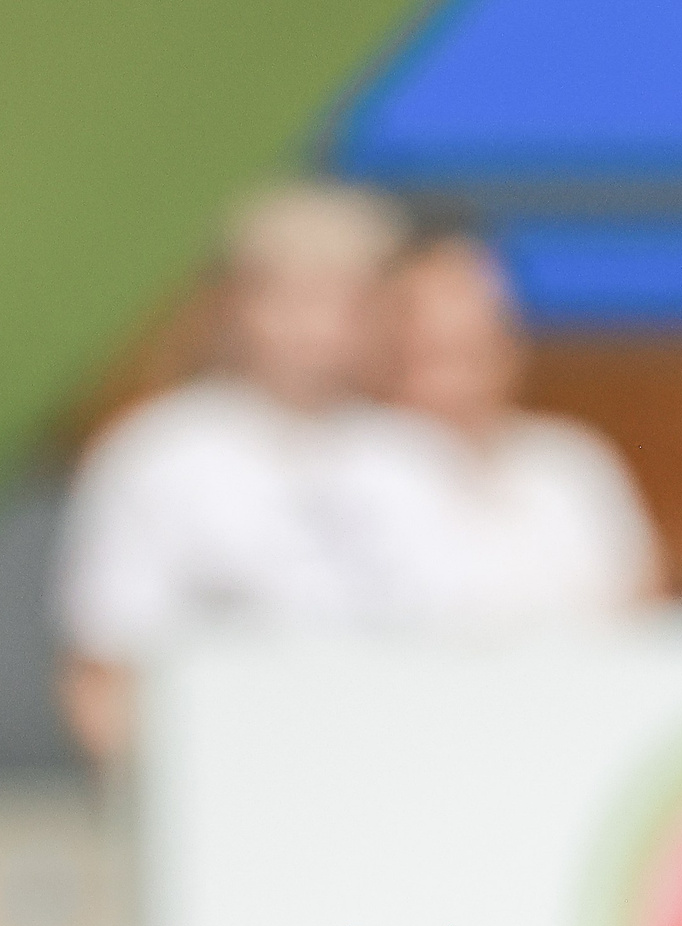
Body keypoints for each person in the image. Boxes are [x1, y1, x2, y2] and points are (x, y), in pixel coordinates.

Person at [54, 182, 415, 767]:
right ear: (235, 304)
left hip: (390, 782)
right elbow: (101, 683)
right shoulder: (156, 458)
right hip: (218, 790)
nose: (312, 326)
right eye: (290, 296)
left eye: (339, 299)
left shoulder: (409, 461)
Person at [376, 234, 661, 623]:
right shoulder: (355, 462)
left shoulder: (572, 459)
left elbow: (647, 607)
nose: (461, 315)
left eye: (474, 347)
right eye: (437, 352)